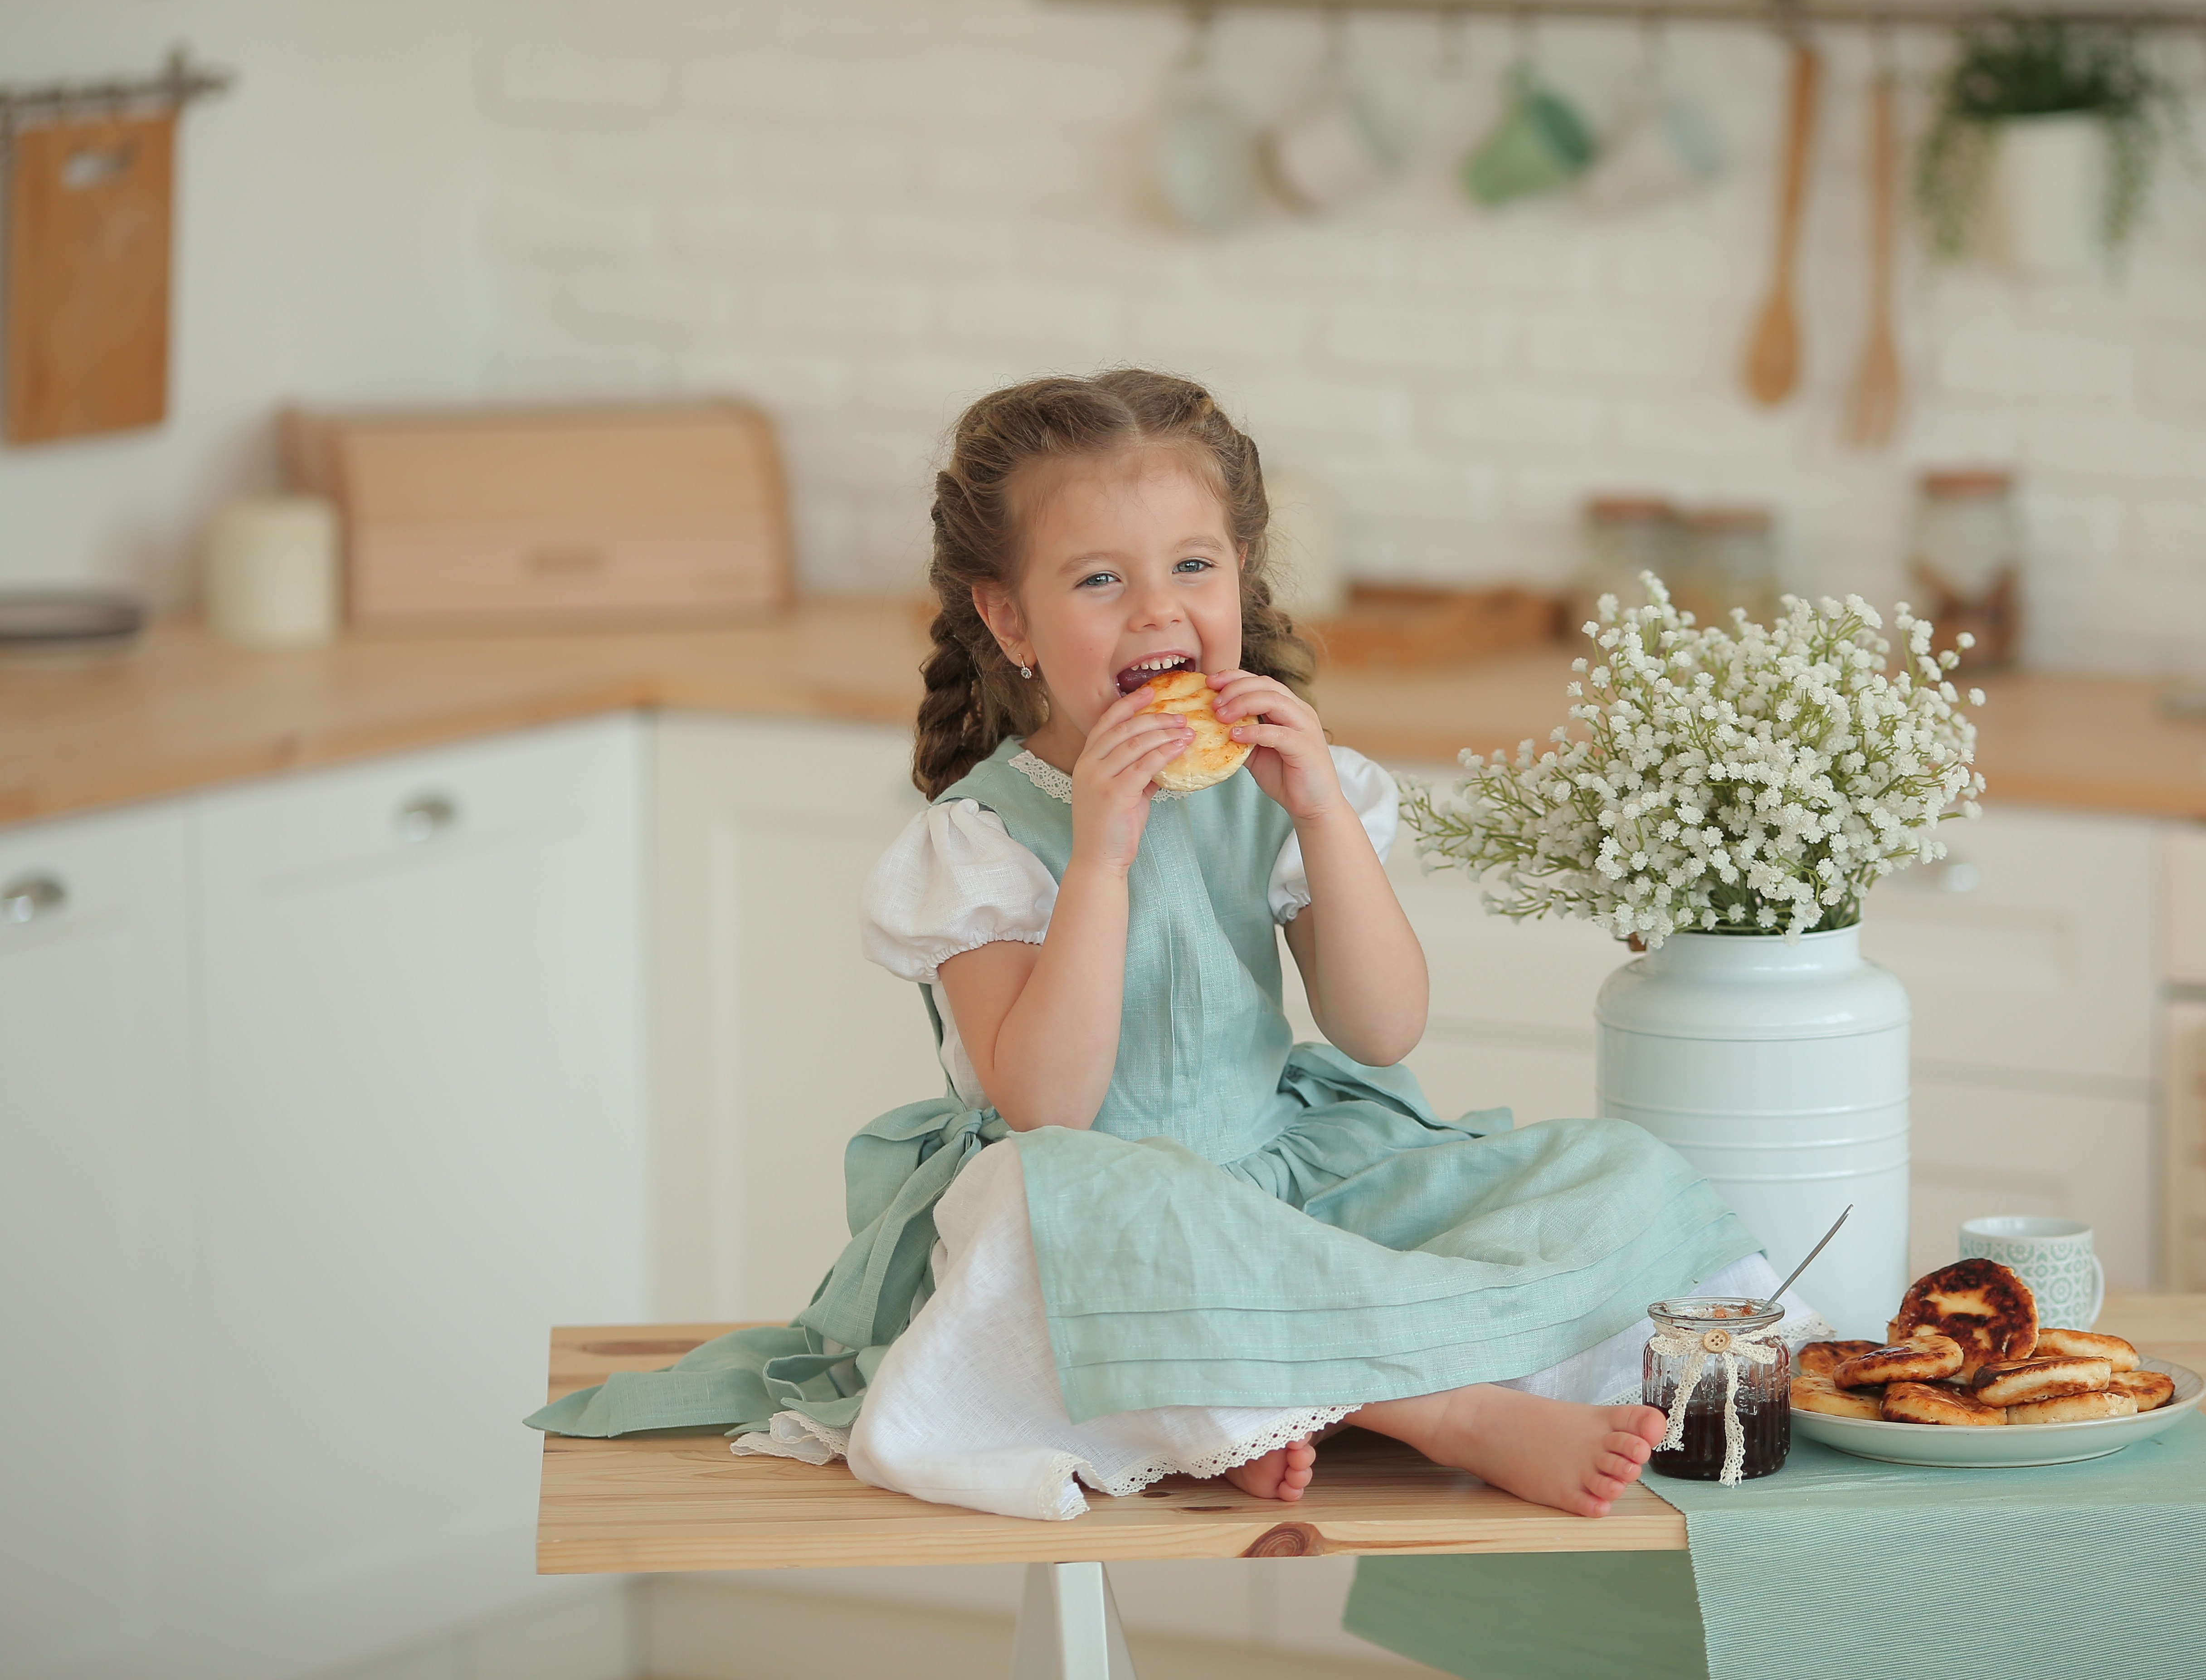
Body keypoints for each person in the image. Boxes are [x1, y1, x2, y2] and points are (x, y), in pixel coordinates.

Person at [530, 370, 1795, 1521]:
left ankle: (1233, 1409)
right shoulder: (980, 840)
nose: (1159, 614)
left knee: (1609, 1171)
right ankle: (1436, 1409)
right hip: (1094, 1205)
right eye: (1098, 582)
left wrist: (1318, 816)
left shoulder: (1290, 788)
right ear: (1008, 619)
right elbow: (1046, 1103)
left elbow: (1381, 1030)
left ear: (1242, 579)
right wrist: (1101, 859)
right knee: (1052, 1219)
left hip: (1276, 1173)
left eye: (1194, 568)